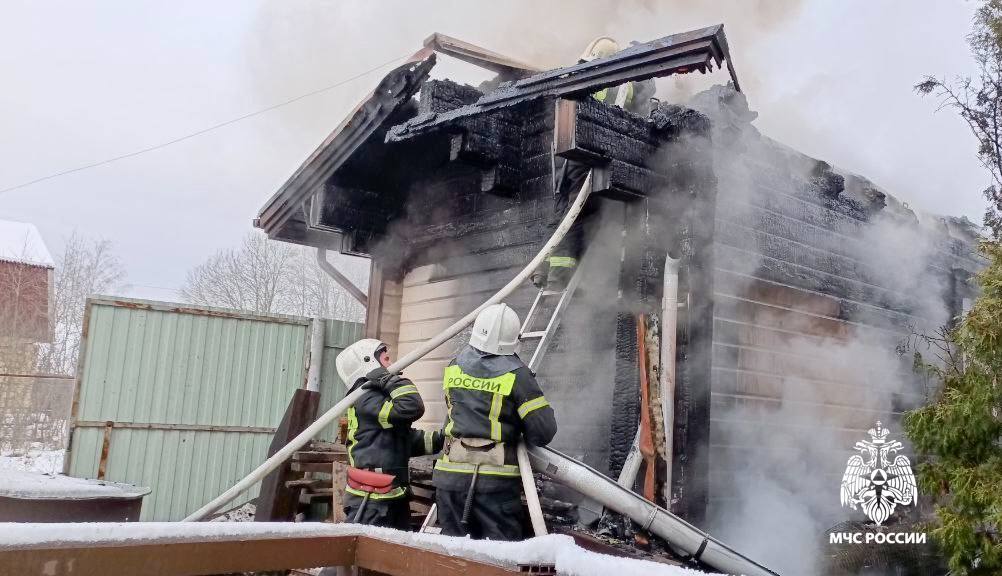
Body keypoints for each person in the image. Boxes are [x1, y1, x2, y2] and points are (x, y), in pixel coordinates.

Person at [531, 37, 655, 292]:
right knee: (575, 215)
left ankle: (541, 271)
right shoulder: (622, 83)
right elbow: (639, 103)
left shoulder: (589, 74)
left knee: (560, 212)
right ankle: (558, 276)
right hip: (589, 153)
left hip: (568, 154)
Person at [433, 303, 557, 540]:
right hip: (494, 486)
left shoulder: (453, 368)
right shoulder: (518, 376)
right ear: (513, 339)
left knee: (452, 557)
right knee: (501, 559)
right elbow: (543, 432)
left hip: (450, 479)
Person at [335, 338, 442, 529]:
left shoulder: (374, 397)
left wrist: (443, 439)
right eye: (386, 359)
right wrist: (387, 379)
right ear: (369, 363)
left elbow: (400, 439)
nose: (391, 364)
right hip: (371, 501)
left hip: (389, 494)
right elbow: (411, 407)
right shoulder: (366, 398)